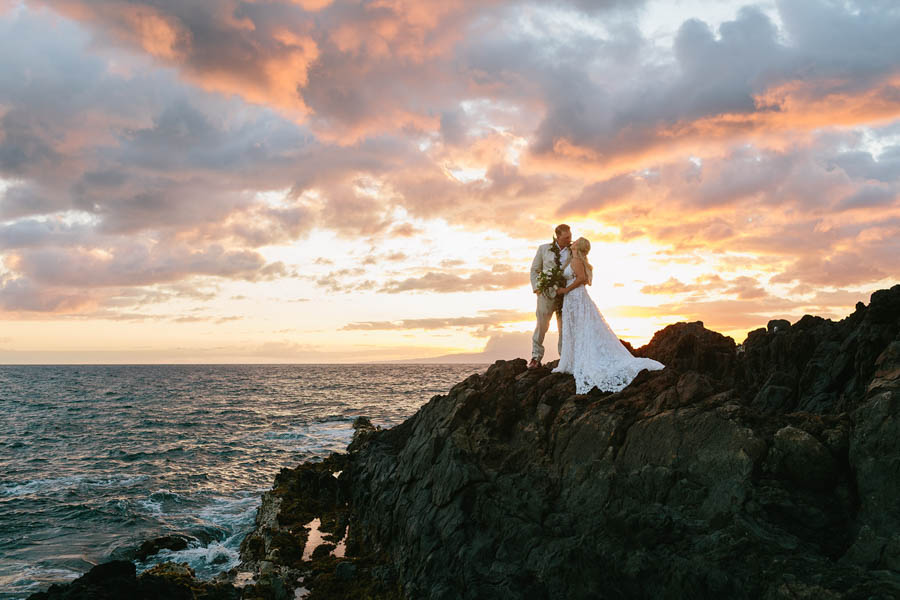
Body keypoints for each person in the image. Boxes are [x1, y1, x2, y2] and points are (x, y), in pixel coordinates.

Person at [552, 237, 664, 393]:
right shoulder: (575, 259)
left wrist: (566, 290)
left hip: (575, 297)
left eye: (575, 241)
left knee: (580, 327)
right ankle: (574, 359)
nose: (573, 242)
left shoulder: (576, 260)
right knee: (577, 327)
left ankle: (583, 360)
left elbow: (582, 278)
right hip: (573, 298)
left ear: (578, 246)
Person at [528, 224, 572, 369]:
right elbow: (535, 270)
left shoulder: (573, 251)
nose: (569, 239)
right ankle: (536, 357)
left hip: (565, 295)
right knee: (541, 326)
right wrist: (537, 289)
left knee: (564, 327)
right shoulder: (543, 249)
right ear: (557, 237)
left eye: (570, 236)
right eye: (566, 237)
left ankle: (564, 358)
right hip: (545, 295)